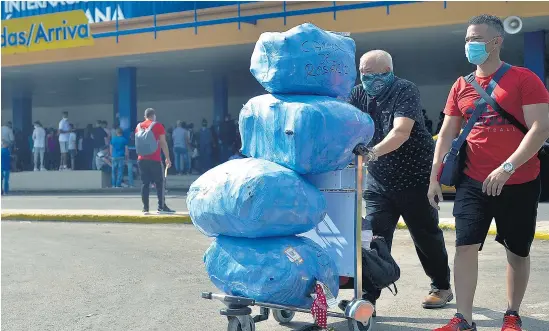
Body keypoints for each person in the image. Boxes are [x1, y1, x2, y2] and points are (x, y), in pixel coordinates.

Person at [430, 15, 549, 331]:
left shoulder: (524, 79)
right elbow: (446, 133)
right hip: (473, 180)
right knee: (465, 245)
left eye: (476, 39)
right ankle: (463, 319)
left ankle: (512, 314)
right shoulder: (461, 85)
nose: (470, 45)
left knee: (517, 251)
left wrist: (508, 167)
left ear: (497, 42)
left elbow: (540, 128)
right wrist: (433, 176)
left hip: (519, 181)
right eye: (467, 39)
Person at [348, 50, 452, 313]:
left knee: (425, 236)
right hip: (379, 182)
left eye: (376, 75)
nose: (370, 80)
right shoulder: (358, 94)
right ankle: (368, 298)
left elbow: (401, 131)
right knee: (373, 238)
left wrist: (370, 153)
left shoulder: (405, 89)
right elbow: (345, 124)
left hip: (415, 178)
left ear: (390, 72)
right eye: (364, 74)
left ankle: (441, 286)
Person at [135, 108, 175, 214]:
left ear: (145, 116)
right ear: (154, 115)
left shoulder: (138, 126)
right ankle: (161, 207)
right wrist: (167, 158)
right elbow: (163, 142)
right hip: (155, 159)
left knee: (145, 183)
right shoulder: (157, 125)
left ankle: (145, 208)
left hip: (141, 159)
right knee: (160, 183)